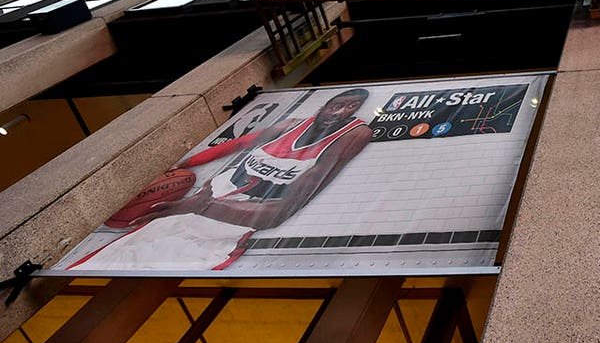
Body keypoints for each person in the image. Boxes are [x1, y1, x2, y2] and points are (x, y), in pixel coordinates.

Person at [70, 88, 373, 271]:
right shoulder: (291, 125)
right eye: (338, 105)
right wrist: (182, 164)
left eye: (351, 108)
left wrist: (203, 208)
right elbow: (238, 144)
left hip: (223, 227)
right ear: (323, 106)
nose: (343, 112)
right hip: (196, 205)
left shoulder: (353, 135)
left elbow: (279, 213)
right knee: (105, 262)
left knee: (152, 272)